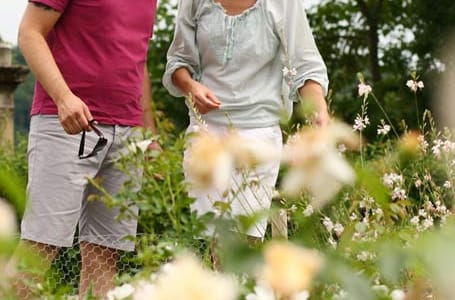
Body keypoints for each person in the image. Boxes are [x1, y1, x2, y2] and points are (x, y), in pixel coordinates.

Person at [11, 0, 159, 298]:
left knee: (106, 253)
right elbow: (29, 32)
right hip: (65, 123)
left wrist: (149, 134)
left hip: (128, 133)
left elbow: (136, 61)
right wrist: (63, 97)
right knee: (40, 248)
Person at [163, 0, 329, 240]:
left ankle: (247, 277)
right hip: (206, 133)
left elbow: (306, 67)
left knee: (247, 237)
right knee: (217, 240)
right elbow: (178, 62)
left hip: (258, 135)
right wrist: (190, 86)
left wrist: (318, 111)